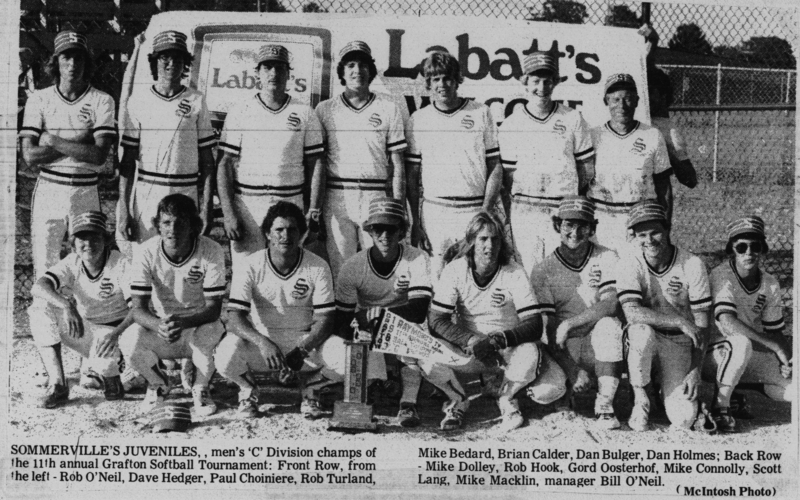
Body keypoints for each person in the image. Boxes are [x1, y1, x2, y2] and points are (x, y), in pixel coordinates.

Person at [427, 211, 566, 432]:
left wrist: (499, 340)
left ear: (502, 242)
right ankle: (458, 399)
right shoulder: (456, 269)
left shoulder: (514, 271)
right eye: (483, 239)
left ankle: (507, 397)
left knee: (551, 389)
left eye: (495, 239)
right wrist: (471, 339)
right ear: (471, 241)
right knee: (425, 352)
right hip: (473, 350)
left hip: (507, 350)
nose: (489, 245)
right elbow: (436, 320)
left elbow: (534, 324)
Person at [216, 201, 347, 419]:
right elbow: (235, 317)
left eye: (292, 229)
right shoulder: (250, 264)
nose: (285, 236)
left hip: (305, 344)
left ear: (302, 233)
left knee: (348, 357)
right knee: (224, 356)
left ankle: (311, 388)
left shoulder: (317, 265)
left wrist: (303, 349)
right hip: (263, 344)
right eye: (279, 230)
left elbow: (326, 319)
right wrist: (262, 342)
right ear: (268, 233)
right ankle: (249, 390)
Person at [217, 44, 325, 278]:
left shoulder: (305, 113)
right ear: (257, 73)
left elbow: (316, 165)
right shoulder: (240, 111)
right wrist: (229, 213)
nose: (273, 74)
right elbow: (225, 164)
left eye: (279, 68)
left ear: (289, 73)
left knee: (287, 272)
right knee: (246, 274)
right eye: (267, 67)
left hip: (290, 202)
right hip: (249, 204)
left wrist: (313, 210)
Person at [19, 30, 116, 287]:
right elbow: (30, 156)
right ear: (55, 62)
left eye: (78, 58)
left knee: (87, 262)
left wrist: (53, 141)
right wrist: (81, 139)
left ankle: (83, 323)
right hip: (50, 187)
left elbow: (98, 156)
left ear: (87, 62)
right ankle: (47, 324)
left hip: (85, 189)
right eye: (66, 57)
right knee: (45, 261)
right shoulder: (39, 99)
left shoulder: (102, 100)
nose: (72, 65)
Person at [119, 194, 226, 416]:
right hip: (164, 327)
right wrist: (159, 324)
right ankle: (158, 384)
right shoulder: (146, 251)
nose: (172, 229)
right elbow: (138, 308)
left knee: (213, 331)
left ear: (194, 226)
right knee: (129, 340)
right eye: (166, 222)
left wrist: (183, 322)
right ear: (157, 225)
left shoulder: (211, 249)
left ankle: (201, 387)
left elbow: (214, 308)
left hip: (196, 324)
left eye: (181, 222)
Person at [335, 197, 433, 427]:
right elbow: (342, 318)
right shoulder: (353, 266)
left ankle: (408, 403)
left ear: (402, 231)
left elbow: (418, 310)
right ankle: (367, 393)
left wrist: (378, 315)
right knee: (356, 344)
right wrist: (364, 324)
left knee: (412, 347)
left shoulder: (418, 258)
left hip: (406, 325)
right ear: (369, 231)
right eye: (378, 229)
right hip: (368, 328)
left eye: (391, 229)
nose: (385, 235)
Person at [616, 200, 711, 431]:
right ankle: (641, 398)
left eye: (655, 232)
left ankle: (662, 386)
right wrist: (678, 319)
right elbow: (631, 311)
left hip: (678, 342)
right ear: (634, 237)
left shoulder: (692, 263)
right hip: (648, 335)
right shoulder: (630, 261)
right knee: (640, 332)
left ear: (667, 229)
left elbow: (702, 324)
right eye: (642, 235)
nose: (649, 241)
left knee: (684, 419)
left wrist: (695, 370)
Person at [530, 197, 624, 429]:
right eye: (568, 225)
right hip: (563, 346)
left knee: (610, 325)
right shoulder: (543, 269)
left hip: (597, 341)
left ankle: (605, 404)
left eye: (583, 225)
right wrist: (574, 371)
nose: (575, 232)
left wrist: (569, 324)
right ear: (557, 226)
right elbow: (550, 327)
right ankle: (565, 392)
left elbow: (611, 304)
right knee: (546, 393)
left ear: (592, 228)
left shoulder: (607, 256)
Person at [405, 51, 502, 276]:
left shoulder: (480, 112)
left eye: (447, 78)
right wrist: (416, 222)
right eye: (436, 79)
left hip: (473, 209)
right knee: (436, 279)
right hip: (435, 211)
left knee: (472, 275)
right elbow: (412, 175)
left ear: (457, 79)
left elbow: (495, 166)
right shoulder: (419, 119)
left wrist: (485, 211)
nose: (442, 84)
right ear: (428, 83)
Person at [316, 41, 407, 280]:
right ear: (342, 73)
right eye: (351, 65)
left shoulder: (389, 108)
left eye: (363, 64)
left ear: (371, 70)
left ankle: (373, 317)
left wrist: (397, 208)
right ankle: (345, 317)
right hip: (337, 195)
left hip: (375, 196)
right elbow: (316, 163)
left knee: (377, 268)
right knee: (341, 269)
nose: (358, 70)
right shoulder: (325, 109)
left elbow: (397, 165)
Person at [499, 52, 595, 275]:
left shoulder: (572, 118)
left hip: (561, 210)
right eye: (535, 81)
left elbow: (587, 168)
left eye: (547, 81)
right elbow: (508, 176)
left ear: (555, 82)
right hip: (526, 211)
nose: (541, 87)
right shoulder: (512, 123)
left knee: (563, 273)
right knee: (529, 272)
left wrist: (570, 200)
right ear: (525, 82)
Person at [118, 30, 216, 246]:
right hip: (147, 192)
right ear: (155, 62)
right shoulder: (139, 100)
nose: (171, 63)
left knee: (183, 260)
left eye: (178, 58)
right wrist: (124, 208)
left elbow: (208, 161)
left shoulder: (196, 100)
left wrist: (206, 208)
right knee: (145, 262)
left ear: (185, 63)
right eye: (164, 57)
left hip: (185, 191)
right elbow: (127, 162)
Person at [29, 211, 132, 407]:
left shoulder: (120, 262)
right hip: (86, 330)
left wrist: (117, 335)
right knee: (40, 308)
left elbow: (136, 309)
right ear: (73, 243)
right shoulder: (72, 261)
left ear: (106, 239)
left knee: (108, 370)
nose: (89, 244)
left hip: (116, 333)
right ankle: (58, 384)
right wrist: (66, 305)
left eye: (95, 237)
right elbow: (39, 286)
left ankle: (113, 372)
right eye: (82, 239)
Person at [703, 216, 793, 433]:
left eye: (755, 246)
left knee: (793, 386)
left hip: (745, 354)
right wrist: (775, 347)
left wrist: (788, 359)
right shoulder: (721, 275)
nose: (749, 252)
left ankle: (742, 389)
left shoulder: (770, 282)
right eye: (741, 247)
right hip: (712, 355)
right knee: (740, 343)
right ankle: (721, 406)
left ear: (763, 248)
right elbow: (728, 322)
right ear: (731, 249)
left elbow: (776, 333)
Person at [587, 74, 671, 251]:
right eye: (615, 99)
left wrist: (665, 227)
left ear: (637, 101)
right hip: (603, 218)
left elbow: (664, 187)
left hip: (640, 219)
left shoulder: (652, 135)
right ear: (606, 101)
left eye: (628, 99)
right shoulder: (593, 136)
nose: (622, 106)